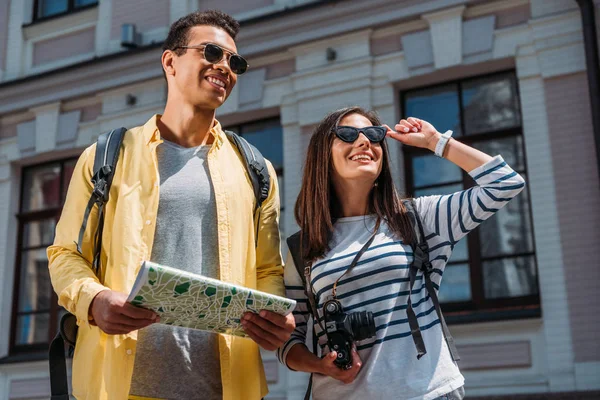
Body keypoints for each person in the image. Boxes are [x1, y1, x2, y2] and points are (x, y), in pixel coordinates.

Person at [48, 10, 294, 400]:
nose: (224, 67)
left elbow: (267, 269)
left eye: (235, 61)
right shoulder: (105, 157)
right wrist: (94, 300)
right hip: (119, 387)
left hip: (225, 389)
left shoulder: (255, 169)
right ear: (170, 61)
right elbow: (65, 254)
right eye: (212, 52)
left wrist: (273, 319)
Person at [276, 106, 526, 399]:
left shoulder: (419, 218)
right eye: (347, 134)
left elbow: (505, 183)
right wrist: (322, 365)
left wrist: (436, 142)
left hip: (428, 392)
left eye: (373, 134)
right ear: (322, 155)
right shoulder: (302, 247)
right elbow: (288, 340)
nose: (364, 141)